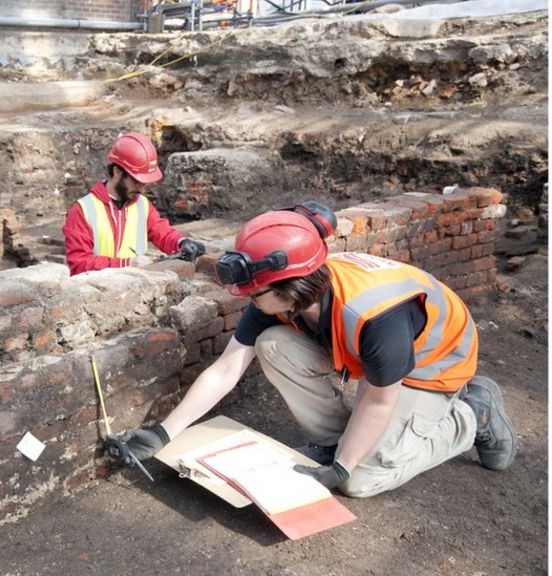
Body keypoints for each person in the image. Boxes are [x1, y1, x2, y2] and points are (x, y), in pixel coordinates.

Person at [118, 201, 518, 497]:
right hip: (380, 361)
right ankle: (337, 442)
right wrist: (163, 433)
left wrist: (343, 469)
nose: (249, 300)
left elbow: (379, 402)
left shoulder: (376, 318)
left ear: (292, 289)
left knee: (361, 481)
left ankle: (473, 415)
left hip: (432, 364)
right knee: (271, 343)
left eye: (256, 294)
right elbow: (226, 370)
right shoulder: (279, 295)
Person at [62, 132, 205, 276]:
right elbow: (79, 264)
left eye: (145, 184)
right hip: (96, 293)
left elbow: (161, 231)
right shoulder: (83, 211)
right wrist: (126, 264)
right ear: (117, 171)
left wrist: (181, 242)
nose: (142, 190)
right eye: (136, 182)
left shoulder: (142, 205)